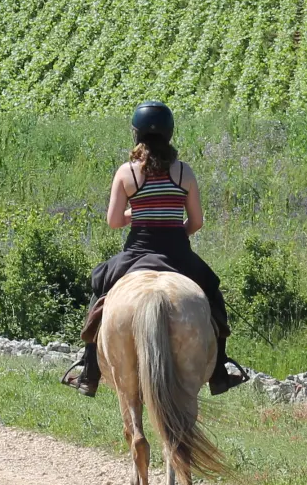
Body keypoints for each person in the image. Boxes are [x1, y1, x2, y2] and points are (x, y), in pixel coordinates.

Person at [61, 101, 249, 398]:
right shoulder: (184, 172)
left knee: (99, 287)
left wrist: (140, 216)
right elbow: (197, 222)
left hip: (137, 250)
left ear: (135, 135)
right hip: (176, 252)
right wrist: (175, 233)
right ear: (170, 133)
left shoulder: (127, 173)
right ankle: (220, 371)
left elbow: (113, 221)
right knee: (212, 290)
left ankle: (89, 370)